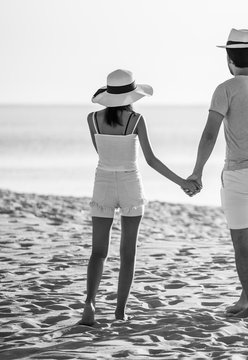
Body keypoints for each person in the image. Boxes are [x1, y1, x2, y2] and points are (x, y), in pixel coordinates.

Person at [80, 69, 199, 326]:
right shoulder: (136, 120)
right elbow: (151, 160)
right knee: (128, 253)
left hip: (102, 184)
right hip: (130, 184)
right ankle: (120, 311)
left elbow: (101, 152)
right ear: (131, 95)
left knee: (98, 252)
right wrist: (183, 183)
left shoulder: (92, 119)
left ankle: (90, 303)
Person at [186, 29, 248, 318]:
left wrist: (197, 172)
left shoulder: (225, 88)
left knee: (242, 241)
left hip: (240, 174)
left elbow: (208, 135)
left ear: (229, 57)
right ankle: (245, 299)